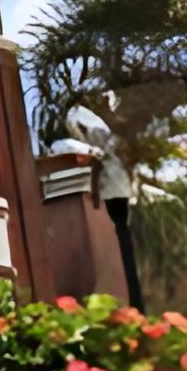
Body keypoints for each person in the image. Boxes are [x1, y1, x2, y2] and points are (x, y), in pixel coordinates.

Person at [64, 104, 143, 309]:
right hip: (114, 190)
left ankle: (135, 301)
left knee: (123, 238)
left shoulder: (96, 125)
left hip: (116, 190)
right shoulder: (91, 121)